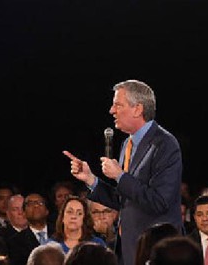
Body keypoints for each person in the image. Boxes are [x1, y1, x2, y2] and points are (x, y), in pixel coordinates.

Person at [63, 79, 182, 265]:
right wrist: (91, 179)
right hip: (129, 249)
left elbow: (160, 201)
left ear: (138, 109)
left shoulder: (165, 144)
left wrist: (120, 176)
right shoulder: (128, 144)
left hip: (156, 252)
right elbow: (124, 200)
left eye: (118, 104)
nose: (112, 110)